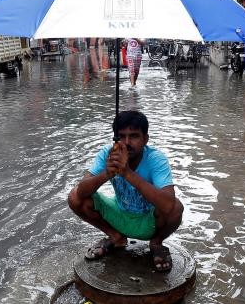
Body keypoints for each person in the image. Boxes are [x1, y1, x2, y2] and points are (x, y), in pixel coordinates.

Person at [68, 110, 183, 272]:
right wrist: (107, 174)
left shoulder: (156, 159)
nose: (127, 142)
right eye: (121, 136)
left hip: (149, 219)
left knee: (176, 208)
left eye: (134, 136)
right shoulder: (107, 154)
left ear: (145, 139)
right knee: (74, 197)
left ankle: (156, 243)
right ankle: (116, 237)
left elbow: (169, 205)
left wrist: (127, 173)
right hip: (119, 213)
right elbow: (81, 192)